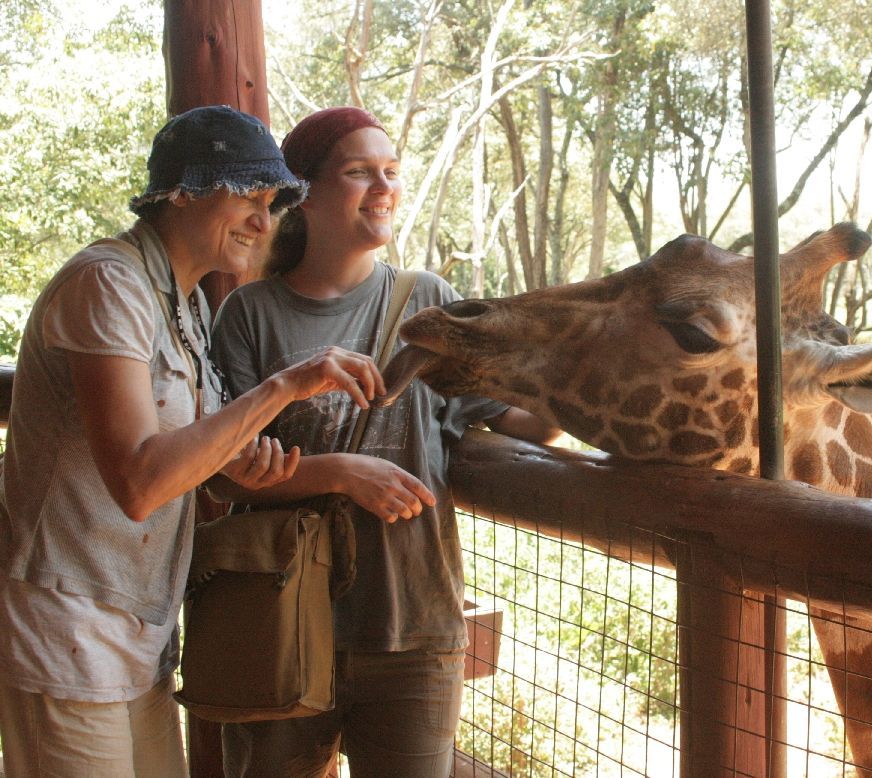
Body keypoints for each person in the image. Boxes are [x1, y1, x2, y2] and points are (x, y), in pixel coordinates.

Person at [0, 105, 391, 777]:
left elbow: (203, 465)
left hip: (142, 629)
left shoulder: (184, 306)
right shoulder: (108, 283)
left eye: (271, 204)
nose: (263, 222)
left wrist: (246, 465)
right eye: (247, 195)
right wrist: (283, 388)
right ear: (180, 191)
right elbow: (141, 482)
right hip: (67, 630)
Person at [210, 106, 559, 777]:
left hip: (415, 628)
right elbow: (223, 473)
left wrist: (565, 361)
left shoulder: (425, 300)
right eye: (359, 171)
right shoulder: (250, 315)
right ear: (303, 192)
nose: (384, 186)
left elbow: (529, 423)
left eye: (392, 172)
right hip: (277, 623)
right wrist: (344, 472)